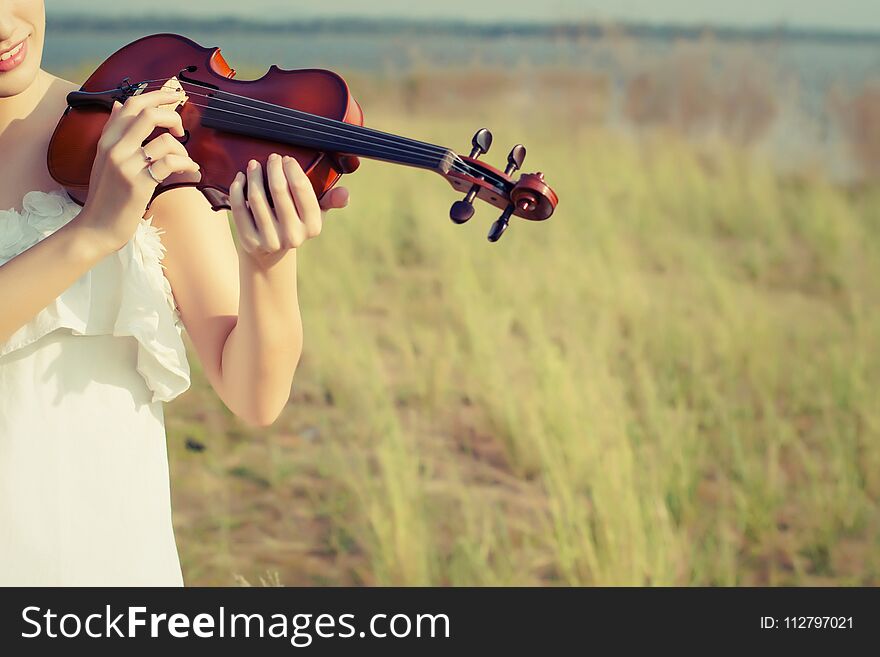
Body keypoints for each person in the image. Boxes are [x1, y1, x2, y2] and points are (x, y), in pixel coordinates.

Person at [0, 2, 349, 585]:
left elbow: (253, 395)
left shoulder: (132, 135)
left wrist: (267, 263)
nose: (5, 27)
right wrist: (92, 234)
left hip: (100, 560)